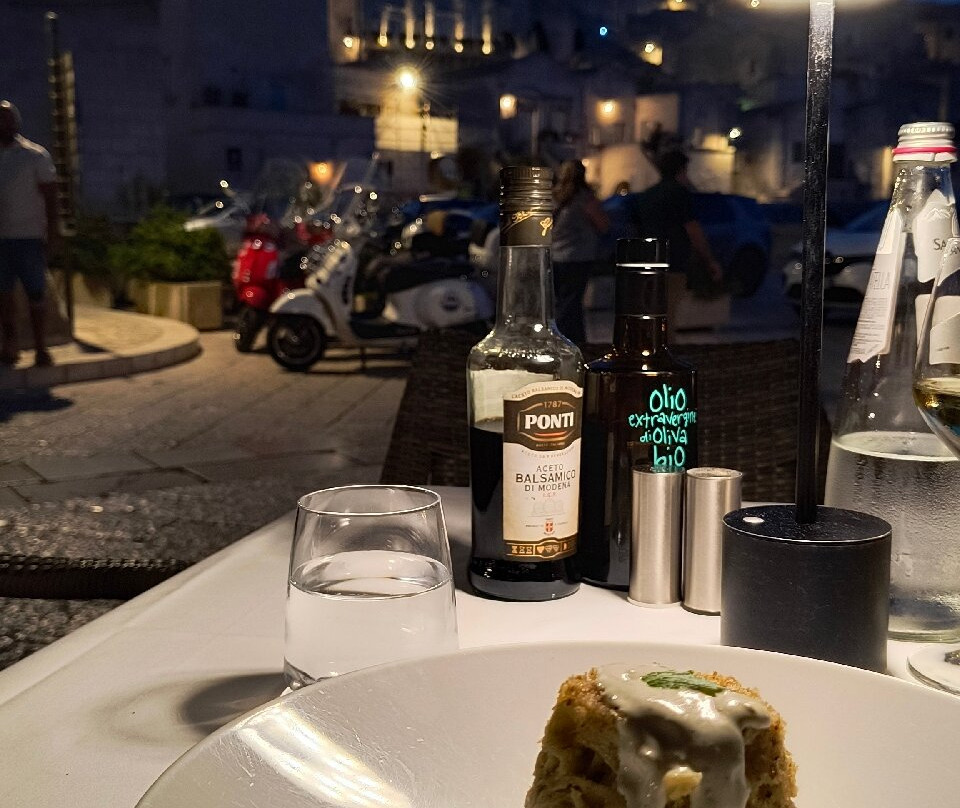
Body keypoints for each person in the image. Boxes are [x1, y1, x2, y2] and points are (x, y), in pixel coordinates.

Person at [0, 100, 59, 367]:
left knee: (36, 294)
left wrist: (53, 234)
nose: (3, 124)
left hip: (29, 237)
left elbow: (51, 198)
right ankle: (10, 346)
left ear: (16, 122)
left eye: (7, 119)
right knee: (4, 296)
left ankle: (41, 348)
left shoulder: (35, 156)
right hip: (1, 238)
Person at [632, 149, 723, 293]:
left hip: (648, 259)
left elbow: (636, 228)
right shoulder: (680, 193)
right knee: (670, 300)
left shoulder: (646, 196)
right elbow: (693, 230)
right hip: (673, 262)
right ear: (681, 170)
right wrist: (709, 260)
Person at [551, 160, 609, 345]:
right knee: (572, 301)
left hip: (555, 255)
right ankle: (569, 340)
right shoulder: (585, 199)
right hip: (579, 256)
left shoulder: (555, 197)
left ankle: (571, 338)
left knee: (563, 300)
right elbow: (603, 224)